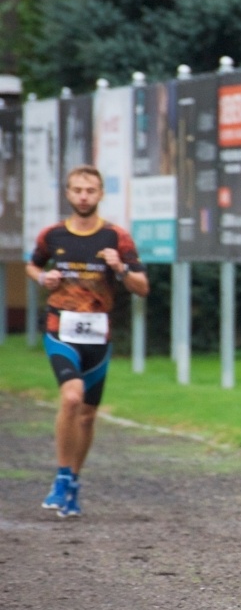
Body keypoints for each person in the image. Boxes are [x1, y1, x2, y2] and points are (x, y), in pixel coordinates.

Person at [27, 165, 150, 518]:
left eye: (90, 190)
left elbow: (142, 287)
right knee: (71, 397)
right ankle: (62, 477)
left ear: (100, 194)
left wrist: (121, 268)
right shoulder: (52, 235)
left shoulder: (116, 238)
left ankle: (75, 481)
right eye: (77, 189)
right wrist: (43, 277)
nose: (83, 196)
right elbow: (32, 266)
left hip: (98, 336)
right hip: (60, 330)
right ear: (68, 193)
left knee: (87, 417)